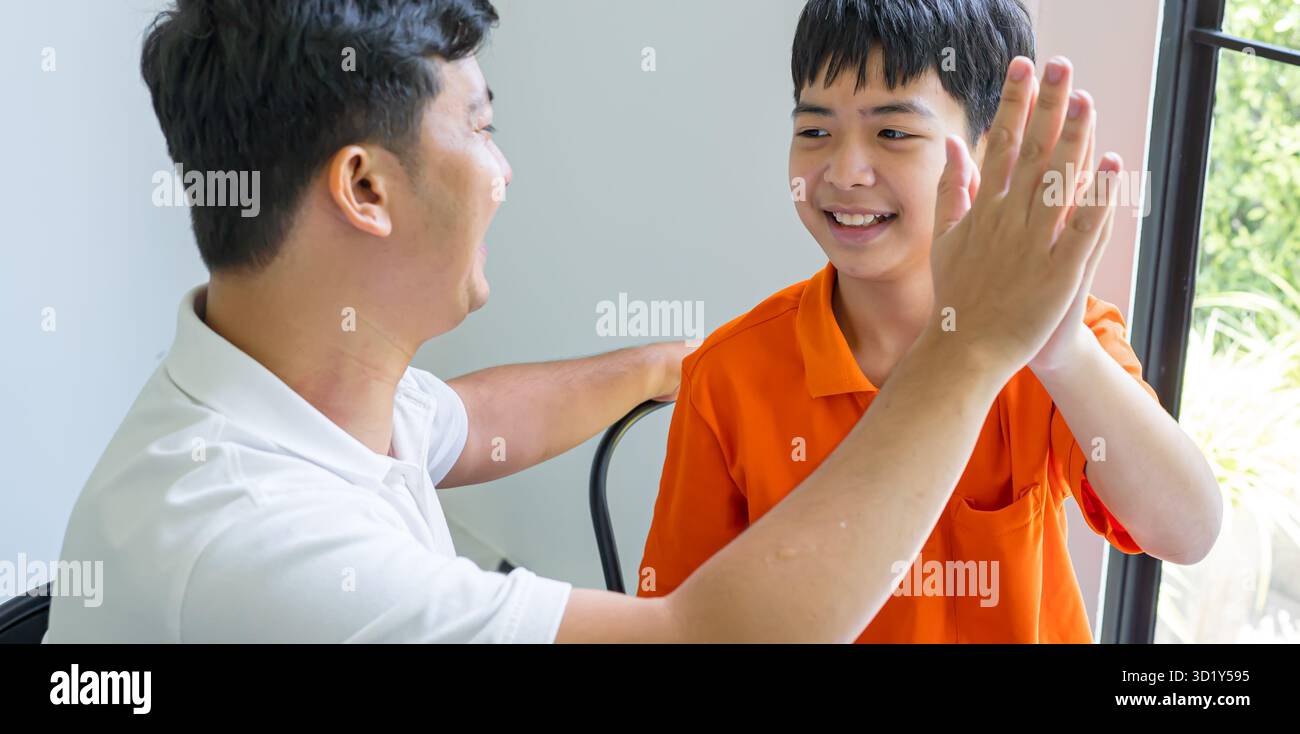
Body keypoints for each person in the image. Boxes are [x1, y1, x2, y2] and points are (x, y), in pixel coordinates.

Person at [47, 0, 1146, 643]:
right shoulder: (255, 547)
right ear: (366, 189)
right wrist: (977, 343)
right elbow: (699, 637)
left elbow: (473, 423)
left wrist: (665, 364)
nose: (507, 170)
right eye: (479, 126)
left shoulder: (291, 390)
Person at [637, 0, 1222, 643]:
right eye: (814, 131)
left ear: (994, 146)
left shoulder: (1058, 341)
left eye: (893, 133)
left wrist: (1061, 350)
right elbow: (676, 625)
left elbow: (1187, 531)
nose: (844, 171)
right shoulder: (728, 376)